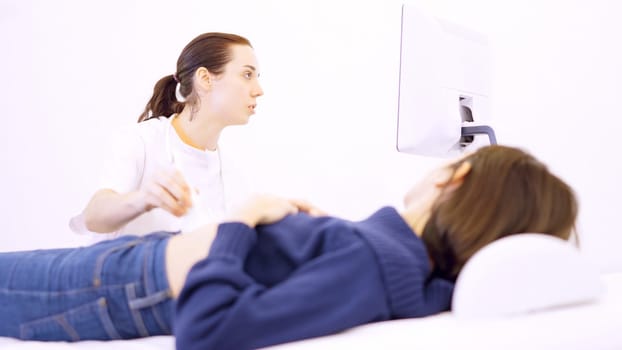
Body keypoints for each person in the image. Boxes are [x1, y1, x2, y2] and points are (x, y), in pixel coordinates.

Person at [0, 145, 578, 349]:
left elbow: (209, 332)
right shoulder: (404, 266)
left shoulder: (376, 266)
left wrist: (243, 220)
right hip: (131, 272)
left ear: (455, 179)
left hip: (120, 286)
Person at [70, 32, 264, 239]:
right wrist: (144, 199)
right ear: (205, 79)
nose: (259, 90)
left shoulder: (234, 176)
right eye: (247, 75)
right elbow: (94, 217)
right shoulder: (140, 141)